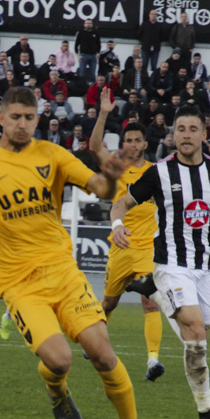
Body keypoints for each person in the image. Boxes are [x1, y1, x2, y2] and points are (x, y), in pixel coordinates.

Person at [0, 86, 157, 419]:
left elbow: (100, 188)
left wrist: (113, 175)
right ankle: (56, 390)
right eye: (15, 117)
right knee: (59, 359)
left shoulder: (52, 155)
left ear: (37, 119)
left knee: (102, 353)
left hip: (63, 272)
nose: (22, 125)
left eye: (29, 118)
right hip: (20, 284)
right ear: (1, 118)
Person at [111, 105, 210, 419]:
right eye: (180, 129)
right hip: (171, 262)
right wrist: (118, 225)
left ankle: (158, 293)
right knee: (192, 328)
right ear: (173, 134)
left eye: (193, 129)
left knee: (200, 336)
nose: (186, 135)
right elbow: (121, 202)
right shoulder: (159, 173)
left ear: (205, 134)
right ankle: (206, 409)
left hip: (204, 266)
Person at [89, 87, 165, 381]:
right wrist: (104, 113)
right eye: (127, 141)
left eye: (137, 140)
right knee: (109, 303)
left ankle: (153, 361)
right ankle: (93, 338)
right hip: (119, 247)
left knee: (150, 300)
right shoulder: (117, 168)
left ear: (146, 143)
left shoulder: (156, 172)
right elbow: (95, 145)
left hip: (147, 248)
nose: (132, 145)